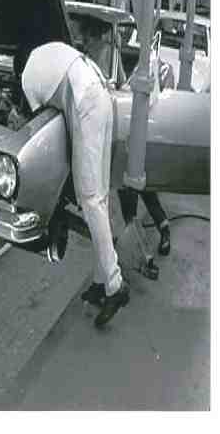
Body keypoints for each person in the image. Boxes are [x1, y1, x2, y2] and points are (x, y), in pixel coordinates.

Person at [20, 41, 130, 328]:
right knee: (100, 199)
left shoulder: (27, 79)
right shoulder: (47, 53)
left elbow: (39, 126)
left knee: (90, 199)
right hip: (102, 100)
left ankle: (115, 286)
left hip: (86, 106)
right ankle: (100, 280)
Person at [81, 16, 172, 258]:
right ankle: (153, 231)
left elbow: (122, 86)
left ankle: (146, 240)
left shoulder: (109, 55)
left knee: (131, 184)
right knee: (134, 184)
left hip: (124, 130)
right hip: (119, 128)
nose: (85, 42)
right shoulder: (101, 55)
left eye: (87, 37)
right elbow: (120, 82)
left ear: (98, 37)